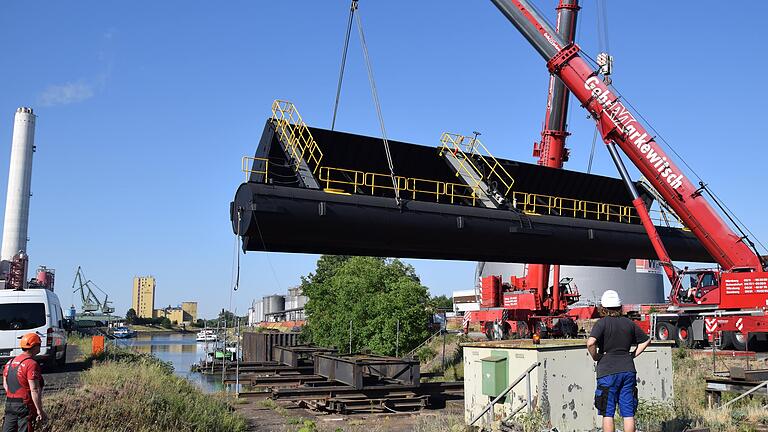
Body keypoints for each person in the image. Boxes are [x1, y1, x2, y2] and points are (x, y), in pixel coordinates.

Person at [587, 290, 651, 432]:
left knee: (608, 413)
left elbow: (590, 343)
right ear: (619, 307)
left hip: (607, 372)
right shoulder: (629, 323)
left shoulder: (601, 324)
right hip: (628, 370)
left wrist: (595, 356)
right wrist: (632, 355)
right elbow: (646, 340)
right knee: (628, 413)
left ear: (603, 308)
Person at [2, 333, 47, 432]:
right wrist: (39, 410)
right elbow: (34, 389)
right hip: (25, 407)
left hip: (9, 405)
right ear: (34, 346)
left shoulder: (9, 362)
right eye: (39, 344)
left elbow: (6, 385)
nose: (40, 346)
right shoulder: (31, 364)